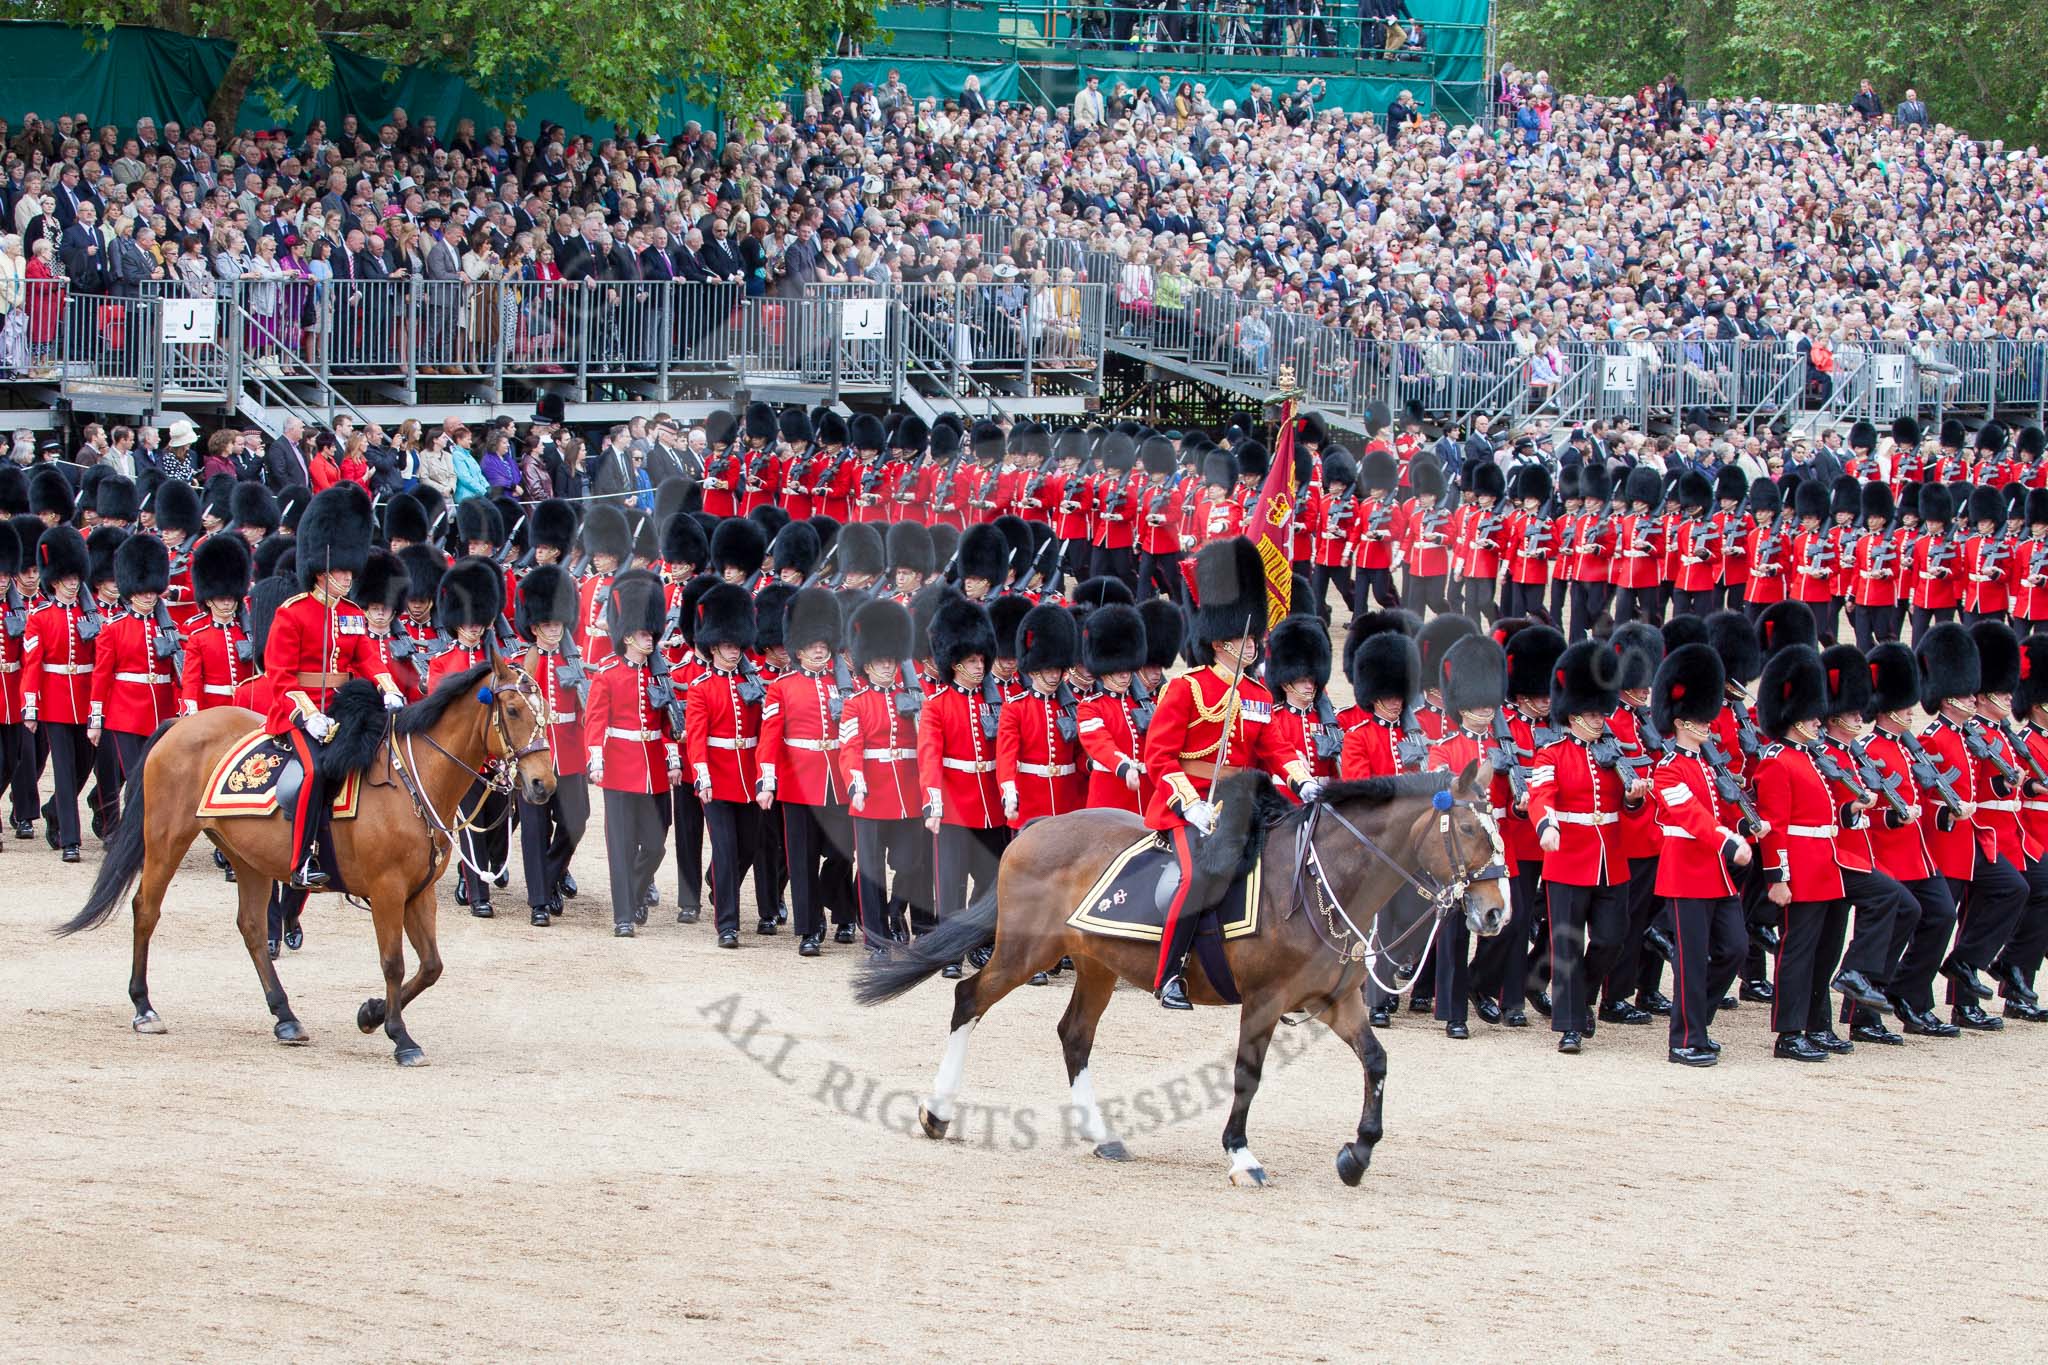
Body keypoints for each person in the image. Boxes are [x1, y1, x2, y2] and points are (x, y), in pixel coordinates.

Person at [1143, 538, 1315, 1009]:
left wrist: (1302, 780)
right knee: (1196, 875)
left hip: (1241, 801)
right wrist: (1191, 804)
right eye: (1244, 639)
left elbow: (1276, 746)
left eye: (1255, 638)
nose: (1253, 645)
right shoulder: (1186, 688)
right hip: (1188, 803)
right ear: (1220, 643)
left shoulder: (1259, 694)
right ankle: (1169, 974)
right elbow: (1159, 757)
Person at [261, 483, 406, 890]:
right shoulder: (293, 613)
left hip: (342, 708)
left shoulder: (352, 613)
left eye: (349, 570)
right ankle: (301, 859)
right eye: (341, 571)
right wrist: (308, 716)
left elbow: (366, 656)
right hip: (299, 713)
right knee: (315, 771)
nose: (347, 577)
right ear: (322, 570)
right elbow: (280, 675)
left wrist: (386, 685)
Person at [1527, 639, 1648, 1053]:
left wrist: (1634, 795)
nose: (1600, 719)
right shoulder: (1553, 754)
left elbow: (1626, 806)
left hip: (1610, 858)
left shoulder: (1614, 755)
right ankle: (1570, 1025)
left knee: (1612, 938)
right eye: (1594, 713)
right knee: (1566, 944)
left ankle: (1584, 995)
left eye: (1602, 712)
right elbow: (1542, 794)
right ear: (1574, 713)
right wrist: (1546, 825)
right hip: (1568, 856)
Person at [757, 587, 853, 957]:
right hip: (798, 783)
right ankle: (810, 929)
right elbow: (770, 737)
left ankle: (842, 907)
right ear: (797, 649)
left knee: (844, 853)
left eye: (822, 644)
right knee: (802, 858)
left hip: (839, 782)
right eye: (811, 645)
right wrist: (768, 779)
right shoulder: (782, 688)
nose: (818, 650)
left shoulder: (845, 685)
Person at [586, 570, 679, 938]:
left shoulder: (660, 674)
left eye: (651, 633)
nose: (650, 638)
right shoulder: (608, 675)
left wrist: (672, 754)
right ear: (627, 636)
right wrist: (596, 757)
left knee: (655, 844)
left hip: (653, 766)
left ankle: (636, 893)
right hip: (620, 766)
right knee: (621, 846)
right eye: (644, 634)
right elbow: (595, 720)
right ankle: (623, 915)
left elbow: (668, 722)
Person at [918, 594, 1008, 975]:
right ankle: (949, 952)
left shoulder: (997, 700)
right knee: (950, 882)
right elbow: (930, 757)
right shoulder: (937, 705)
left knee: (992, 878)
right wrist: (933, 802)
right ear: (955, 664)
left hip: (989, 802)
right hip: (955, 802)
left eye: (981, 659)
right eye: (972, 660)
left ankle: (972, 939)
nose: (980, 665)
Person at [686, 581, 770, 947]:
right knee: (724, 847)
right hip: (716, 779)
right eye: (727, 646)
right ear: (714, 647)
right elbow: (696, 737)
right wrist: (701, 776)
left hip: (748, 776)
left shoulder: (753, 683)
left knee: (748, 847)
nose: (734, 652)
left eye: (737, 646)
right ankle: (728, 925)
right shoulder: (702, 687)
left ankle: (718, 886)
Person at [838, 598, 923, 951]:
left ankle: (894, 910)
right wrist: (856, 783)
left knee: (911, 861)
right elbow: (849, 748)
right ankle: (875, 938)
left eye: (891, 660)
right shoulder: (855, 702)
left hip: (907, 793)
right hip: (871, 795)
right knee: (870, 871)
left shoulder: (912, 698)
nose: (887, 666)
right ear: (867, 665)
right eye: (880, 661)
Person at [513, 565, 589, 928]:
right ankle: (539, 901)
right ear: (535, 626)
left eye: (559, 623)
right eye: (548, 624)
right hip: (534, 755)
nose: (555, 629)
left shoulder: (572, 659)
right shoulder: (522, 664)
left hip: (571, 752)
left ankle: (552, 873)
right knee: (534, 828)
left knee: (577, 820)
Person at [86, 533, 178, 814]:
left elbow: (176, 673)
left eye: (152, 591)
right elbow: (101, 675)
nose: (149, 597)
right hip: (125, 714)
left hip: (160, 710)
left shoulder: (167, 627)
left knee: (157, 778)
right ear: (131, 591)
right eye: (142, 592)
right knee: (136, 779)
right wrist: (96, 718)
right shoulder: (114, 629)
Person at [22, 526, 96, 862]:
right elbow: (33, 664)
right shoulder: (39, 617)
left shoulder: (89, 615)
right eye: (66, 577)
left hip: (84, 697)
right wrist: (30, 706)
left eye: (75, 576)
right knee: (64, 770)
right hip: (53, 701)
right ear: (54, 580)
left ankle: (55, 810)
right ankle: (71, 839)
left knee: (84, 765)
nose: (72, 583)